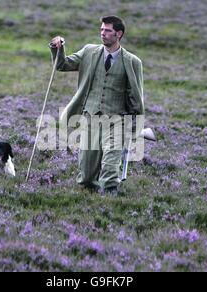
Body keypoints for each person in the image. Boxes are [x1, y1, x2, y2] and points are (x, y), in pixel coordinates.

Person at [50, 15, 145, 196]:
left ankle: (111, 196)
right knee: (86, 174)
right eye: (101, 30)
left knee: (110, 165)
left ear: (119, 34)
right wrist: (57, 48)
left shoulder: (133, 62)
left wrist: (134, 125)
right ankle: (90, 196)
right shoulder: (88, 52)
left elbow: (136, 96)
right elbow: (62, 65)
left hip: (117, 121)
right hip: (90, 118)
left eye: (107, 31)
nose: (103, 33)